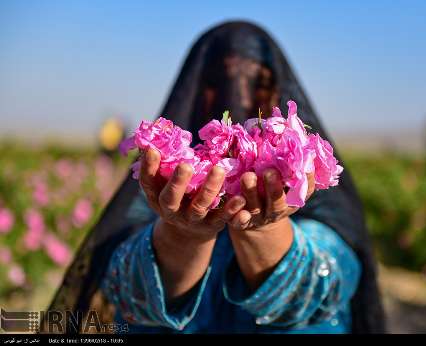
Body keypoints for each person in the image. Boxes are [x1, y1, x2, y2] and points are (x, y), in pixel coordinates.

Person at [44, 21, 385, 334]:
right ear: (193, 91)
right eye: (218, 82)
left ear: (280, 90)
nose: (239, 94)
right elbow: (127, 294)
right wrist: (182, 235)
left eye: (258, 81)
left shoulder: (315, 188)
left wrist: (264, 228)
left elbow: (326, 287)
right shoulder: (166, 182)